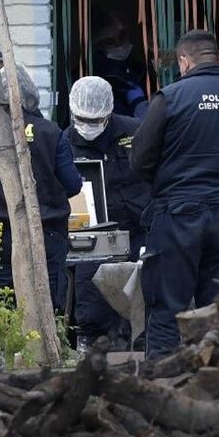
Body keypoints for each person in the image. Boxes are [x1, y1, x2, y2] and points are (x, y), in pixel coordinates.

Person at [130, 30, 219, 359]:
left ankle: (165, 388)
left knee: (168, 308)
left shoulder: (171, 96)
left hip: (177, 215)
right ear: (218, 58)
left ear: (184, 60)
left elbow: (139, 160)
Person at [0, 64, 82, 310]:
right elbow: (73, 184)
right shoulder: (51, 133)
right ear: (31, 95)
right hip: (45, 235)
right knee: (46, 309)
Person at [63, 76, 151, 350]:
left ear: (109, 113)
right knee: (91, 294)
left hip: (136, 226)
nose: (89, 126)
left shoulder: (135, 132)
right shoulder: (63, 142)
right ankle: (91, 344)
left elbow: (154, 172)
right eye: (83, 119)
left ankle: (139, 344)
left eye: (96, 120)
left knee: (144, 289)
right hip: (92, 233)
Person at [92, 8, 149, 119]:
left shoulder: (141, 69)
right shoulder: (92, 73)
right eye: (110, 41)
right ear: (99, 44)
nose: (118, 44)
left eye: (121, 37)